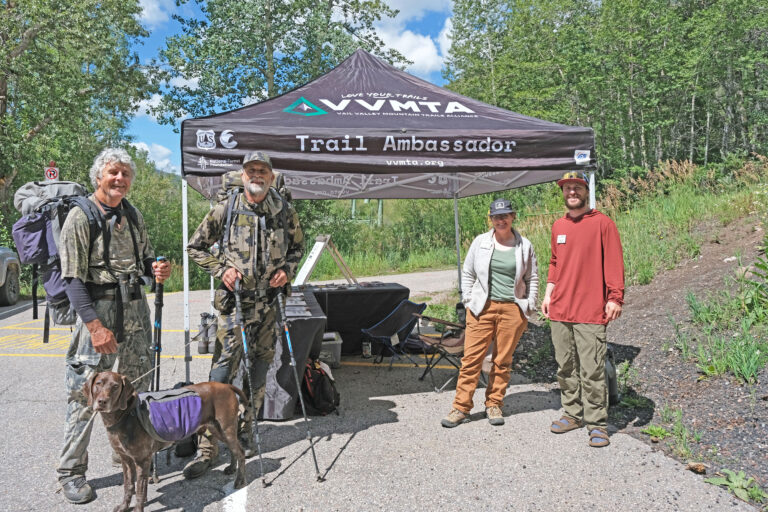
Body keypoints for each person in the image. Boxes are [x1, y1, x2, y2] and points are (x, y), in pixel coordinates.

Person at [56, 148, 171, 504]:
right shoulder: (80, 216)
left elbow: (145, 258)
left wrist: (156, 269)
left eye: (125, 174)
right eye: (113, 173)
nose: (120, 179)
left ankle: (127, 453)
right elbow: (72, 278)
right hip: (99, 311)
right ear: (98, 177)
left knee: (135, 389)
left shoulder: (132, 214)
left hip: (136, 310)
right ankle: (71, 472)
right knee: (86, 394)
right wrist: (94, 327)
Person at [184, 151, 304, 479]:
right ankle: (207, 449)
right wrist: (221, 269)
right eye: (251, 170)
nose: (257, 175)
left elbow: (298, 248)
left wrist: (287, 271)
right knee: (220, 378)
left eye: (262, 170)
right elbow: (195, 247)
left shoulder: (285, 210)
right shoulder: (226, 208)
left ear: (271, 176)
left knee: (259, 372)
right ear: (243, 174)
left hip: (268, 306)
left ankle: (246, 433)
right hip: (234, 306)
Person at [541, 171, 624, 448]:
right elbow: (555, 263)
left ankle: (597, 423)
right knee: (565, 366)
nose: (572, 192)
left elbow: (614, 262)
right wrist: (548, 294)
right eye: (567, 188)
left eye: (577, 187)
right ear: (563, 193)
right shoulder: (558, 226)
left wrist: (615, 297)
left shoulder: (603, 224)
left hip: (590, 310)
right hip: (560, 309)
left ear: (586, 191)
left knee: (592, 370)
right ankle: (572, 414)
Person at [441, 198, 538, 428]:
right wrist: (468, 301)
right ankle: (461, 408)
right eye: (496, 216)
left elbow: (532, 277)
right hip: (481, 308)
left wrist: (529, 305)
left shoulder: (524, 245)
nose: (500, 220)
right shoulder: (480, 242)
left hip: (512, 310)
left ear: (513, 216)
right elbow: (468, 273)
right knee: (471, 360)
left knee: (502, 361)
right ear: (491, 219)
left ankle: (494, 404)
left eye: (505, 216)